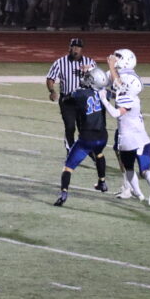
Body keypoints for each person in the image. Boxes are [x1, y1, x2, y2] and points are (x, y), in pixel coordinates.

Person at [102, 53, 150, 206]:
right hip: (137, 137)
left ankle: (139, 190)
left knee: (132, 169)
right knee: (139, 170)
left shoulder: (128, 94)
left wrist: (103, 99)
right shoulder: (130, 94)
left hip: (131, 138)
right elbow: (115, 88)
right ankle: (140, 192)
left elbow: (116, 106)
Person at [53, 66, 110, 206]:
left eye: (89, 78)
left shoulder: (80, 93)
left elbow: (67, 99)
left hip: (87, 138)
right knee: (99, 154)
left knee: (68, 167)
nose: (85, 79)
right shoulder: (105, 93)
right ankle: (102, 183)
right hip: (102, 136)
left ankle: (63, 194)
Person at [45, 38, 96, 152]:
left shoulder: (90, 62)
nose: (76, 49)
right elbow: (50, 78)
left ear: (82, 49)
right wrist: (52, 91)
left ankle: (83, 149)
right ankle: (70, 149)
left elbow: (97, 79)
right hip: (67, 100)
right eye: (74, 47)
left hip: (84, 100)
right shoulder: (60, 62)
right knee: (70, 126)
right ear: (69, 48)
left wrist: (89, 72)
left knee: (84, 128)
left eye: (78, 47)